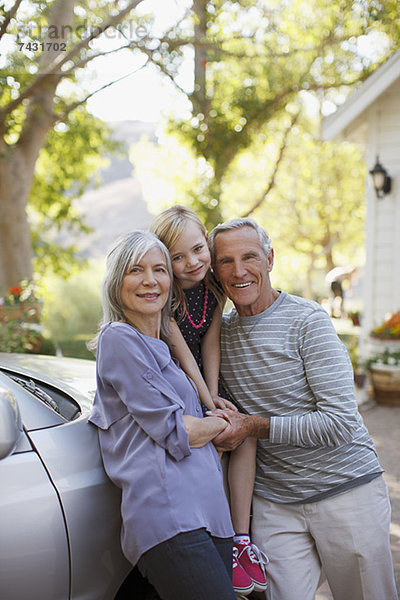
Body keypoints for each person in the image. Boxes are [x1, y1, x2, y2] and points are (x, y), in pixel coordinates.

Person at [207, 217, 398, 600]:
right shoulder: (218, 336)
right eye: (226, 261)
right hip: (276, 504)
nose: (239, 270)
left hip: (346, 491)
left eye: (250, 257)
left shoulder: (307, 321)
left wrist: (252, 426)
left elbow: (340, 423)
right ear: (214, 271)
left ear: (270, 259)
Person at [88, 231, 236, 600]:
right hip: (170, 516)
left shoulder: (163, 349)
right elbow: (175, 430)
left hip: (211, 515)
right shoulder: (118, 339)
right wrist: (223, 423)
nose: (150, 280)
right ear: (115, 282)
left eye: (159, 270)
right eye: (136, 270)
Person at [150, 206, 268, 596]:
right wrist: (203, 400)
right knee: (211, 447)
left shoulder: (214, 288)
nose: (192, 263)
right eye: (178, 257)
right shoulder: (166, 295)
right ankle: (214, 535)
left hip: (205, 381)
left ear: (207, 240)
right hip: (181, 384)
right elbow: (182, 352)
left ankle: (241, 539)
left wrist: (216, 396)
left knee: (242, 430)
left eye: (198, 250)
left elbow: (211, 342)